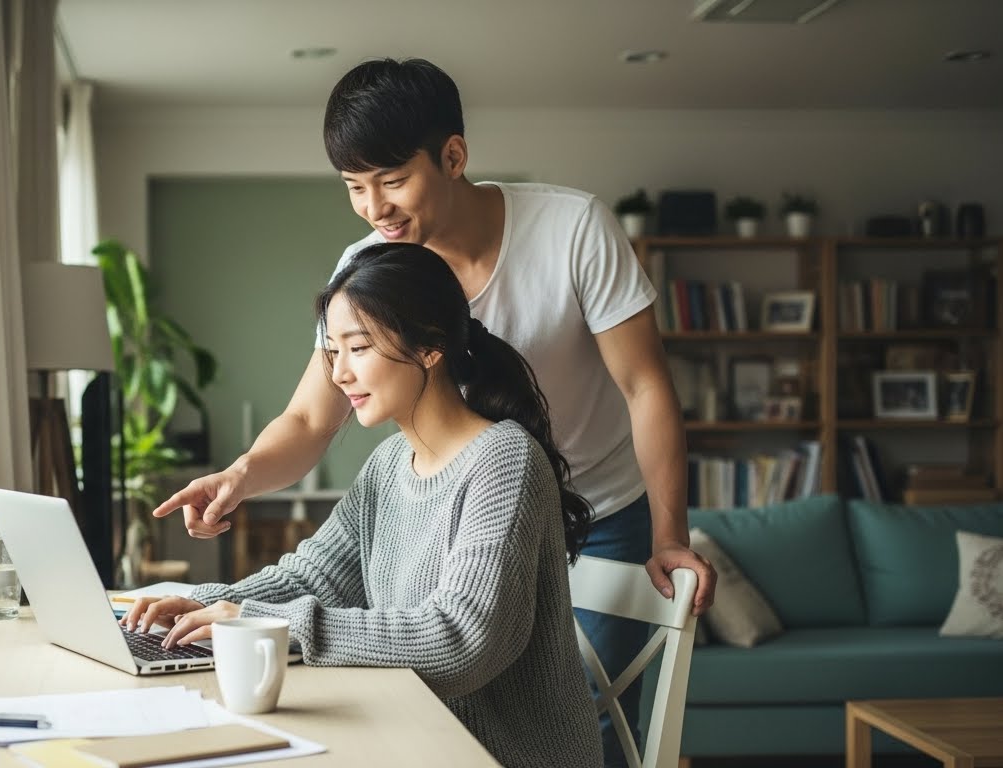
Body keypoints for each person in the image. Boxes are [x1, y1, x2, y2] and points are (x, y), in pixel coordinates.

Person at [152, 57, 716, 764]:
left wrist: (669, 532)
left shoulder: (572, 228)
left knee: (582, 709)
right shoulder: (373, 282)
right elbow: (306, 421)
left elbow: (644, 387)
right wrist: (232, 499)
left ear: (452, 157)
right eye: (354, 187)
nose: (373, 207)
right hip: (466, 493)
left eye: (391, 180)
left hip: (599, 504)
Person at [125, 243, 604, 766]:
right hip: (413, 736)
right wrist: (208, 603)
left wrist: (256, 619)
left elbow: (460, 642)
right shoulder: (390, 463)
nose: (339, 375)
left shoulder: (504, 462)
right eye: (333, 352)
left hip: (498, 755)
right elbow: (312, 577)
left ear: (429, 347)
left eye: (358, 348)